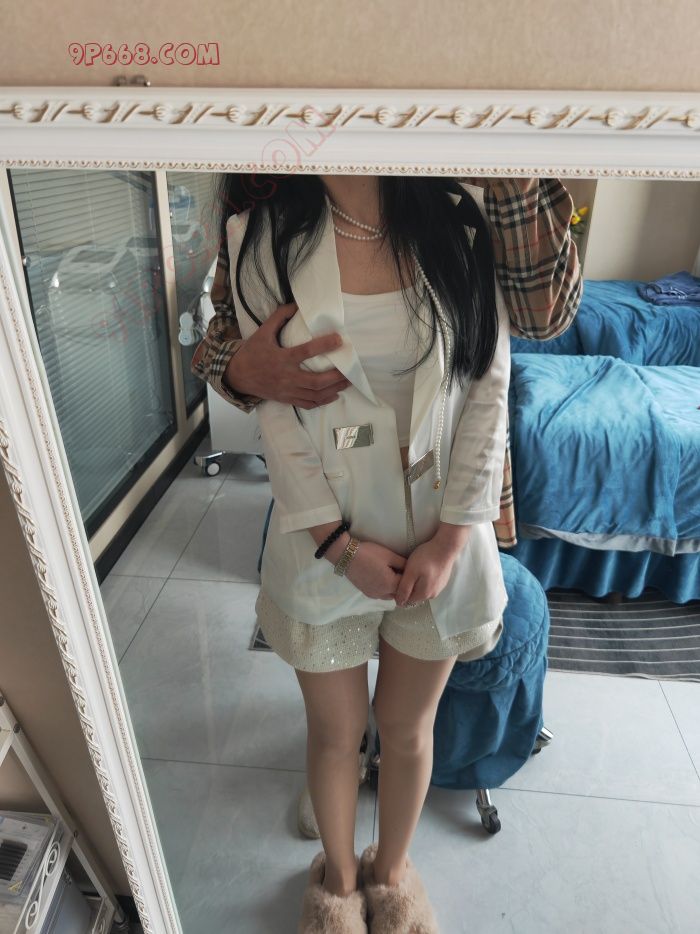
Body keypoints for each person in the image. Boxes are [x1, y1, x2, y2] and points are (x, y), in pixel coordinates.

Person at [191, 174, 582, 933]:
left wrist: (453, 537)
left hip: (443, 539)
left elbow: (488, 387)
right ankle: (337, 888)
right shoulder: (260, 236)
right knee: (335, 735)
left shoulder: (463, 219)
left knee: (407, 731)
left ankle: (394, 877)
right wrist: (339, 548)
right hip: (321, 539)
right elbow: (276, 415)